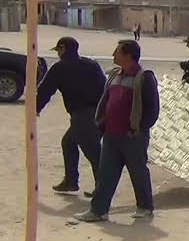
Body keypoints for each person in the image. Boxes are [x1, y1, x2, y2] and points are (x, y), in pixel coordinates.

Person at [74, 40, 159, 222]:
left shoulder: (144, 77)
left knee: (138, 172)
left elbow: (152, 110)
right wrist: (102, 123)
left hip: (133, 136)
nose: (113, 54)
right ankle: (98, 211)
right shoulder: (115, 75)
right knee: (106, 174)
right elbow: (107, 100)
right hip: (111, 135)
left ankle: (145, 207)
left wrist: (139, 129)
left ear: (128, 55)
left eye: (117, 51)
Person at [36, 36, 106, 196]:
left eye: (59, 50)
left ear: (63, 49)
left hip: (83, 115)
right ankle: (71, 181)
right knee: (68, 142)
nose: (58, 53)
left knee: (94, 153)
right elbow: (105, 87)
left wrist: (36, 108)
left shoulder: (60, 68)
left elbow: (46, 90)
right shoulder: (91, 64)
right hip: (99, 112)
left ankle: (103, 189)